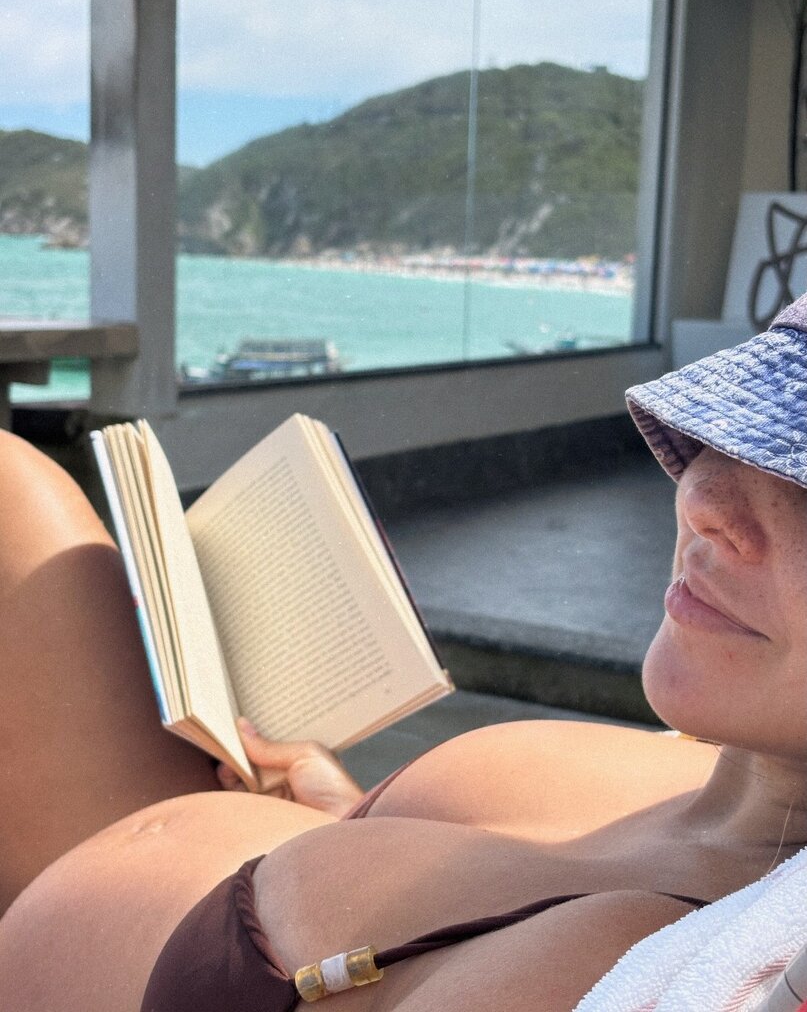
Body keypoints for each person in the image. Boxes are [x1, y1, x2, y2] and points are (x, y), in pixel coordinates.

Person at [0, 295, 805, 1012]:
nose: (702, 499)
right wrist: (344, 828)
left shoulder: (666, 964)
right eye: (734, 438)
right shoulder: (702, 778)